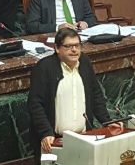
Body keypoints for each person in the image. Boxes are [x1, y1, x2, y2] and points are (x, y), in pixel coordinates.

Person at [27, 28, 120, 157]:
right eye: (68, 46)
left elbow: (96, 95)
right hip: (55, 141)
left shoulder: (84, 63)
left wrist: (107, 121)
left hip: (84, 138)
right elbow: (35, 104)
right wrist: (46, 132)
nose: (74, 50)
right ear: (57, 48)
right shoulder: (44, 68)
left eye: (77, 45)